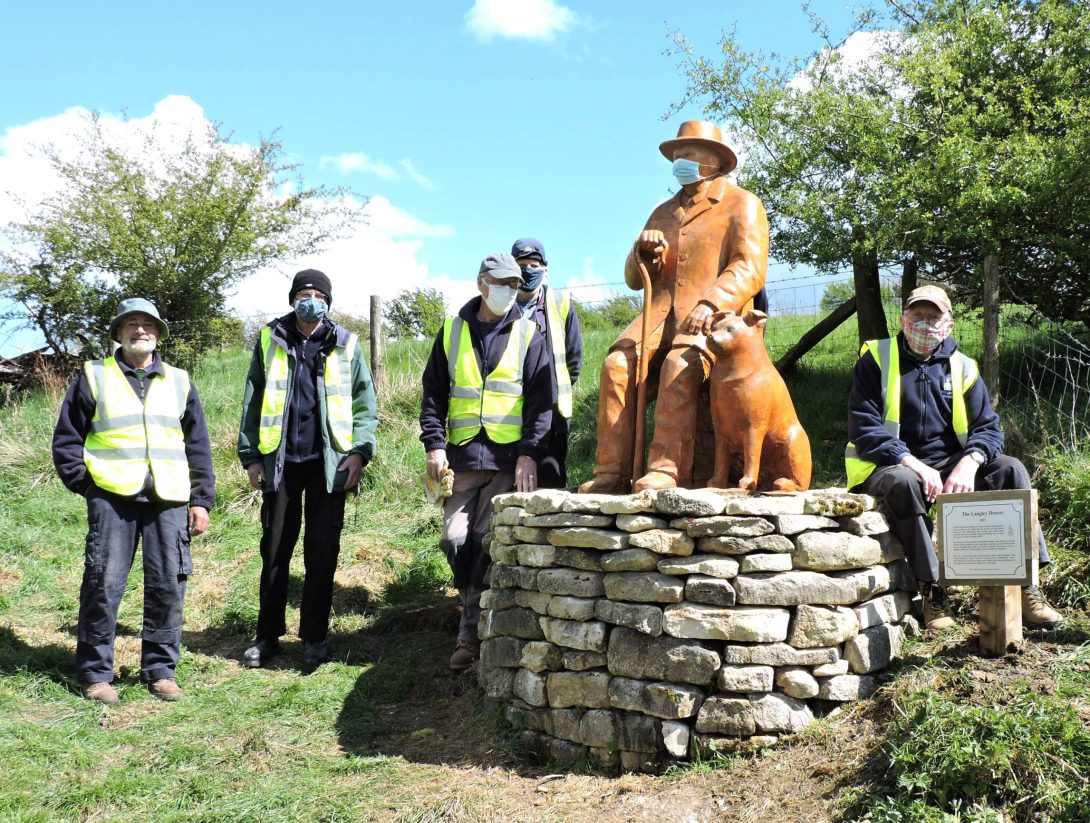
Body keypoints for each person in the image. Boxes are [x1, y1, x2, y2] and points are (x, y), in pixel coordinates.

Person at [845, 285, 1064, 631]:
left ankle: (1026, 587)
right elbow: (864, 426)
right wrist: (910, 462)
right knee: (904, 482)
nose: (925, 324)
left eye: (934, 317)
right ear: (903, 319)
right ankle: (933, 592)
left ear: (949, 324)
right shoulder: (876, 359)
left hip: (951, 464)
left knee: (1010, 469)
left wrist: (970, 460)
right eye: (917, 316)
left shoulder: (964, 367)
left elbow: (989, 428)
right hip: (888, 464)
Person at [579, 120, 770, 494]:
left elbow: (749, 267)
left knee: (678, 365)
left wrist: (712, 302)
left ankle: (667, 470)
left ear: (714, 160)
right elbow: (636, 279)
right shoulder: (662, 213)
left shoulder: (742, 204)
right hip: (661, 312)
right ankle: (611, 471)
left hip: (711, 316)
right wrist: (644, 254)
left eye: (689, 154)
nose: (681, 161)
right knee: (617, 365)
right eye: (677, 155)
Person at [52, 298, 215, 704]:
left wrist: (201, 500)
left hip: (169, 497)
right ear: (118, 334)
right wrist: (88, 486)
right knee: (103, 583)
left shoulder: (179, 380)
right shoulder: (94, 376)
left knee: (167, 585)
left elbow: (197, 445)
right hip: (112, 497)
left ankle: (160, 670)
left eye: (147, 324)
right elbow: (67, 440)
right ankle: (95, 674)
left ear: (158, 333)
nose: (139, 330)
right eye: (131, 324)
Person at [238, 269, 377, 671]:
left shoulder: (347, 343)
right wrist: (250, 456)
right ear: (292, 299)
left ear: (328, 302)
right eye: (303, 293)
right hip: (279, 464)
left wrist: (359, 453)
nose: (310, 299)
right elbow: (253, 396)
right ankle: (267, 638)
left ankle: (314, 638)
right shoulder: (270, 338)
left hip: (329, 465)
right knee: (275, 550)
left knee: (322, 553)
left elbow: (366, 404)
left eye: (317, 294)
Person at [419, 253, 553, 671]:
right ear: (481, 283)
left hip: (505, 459)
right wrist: (434, 445)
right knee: (453, 541)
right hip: (459, 459)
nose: (509, 290)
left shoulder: (529, 333)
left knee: (482, 542)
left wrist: (529, 453)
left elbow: (540, 402)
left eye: (514, 285)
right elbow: (433, 395)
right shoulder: (452, 331)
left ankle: (469, 636)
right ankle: (470, 605)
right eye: (501, 283)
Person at [510, 237, 582, 488]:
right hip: (508, 414)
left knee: (550, 486)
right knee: (511, 488)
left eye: (533, 265)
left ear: (545, 269)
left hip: (552, 415)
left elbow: (573, 360)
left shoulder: (561, 304)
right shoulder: (499, 306)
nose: (528, 271)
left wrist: (547, 389)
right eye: (521, 265)